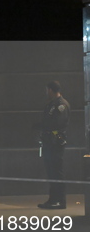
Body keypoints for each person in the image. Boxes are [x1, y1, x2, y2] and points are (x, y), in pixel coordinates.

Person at [37, 81, 70, 209]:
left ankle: (60, 201)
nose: (46, 93)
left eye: (47, 90)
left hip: (56, 142)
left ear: (51, 90)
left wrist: (45, 127)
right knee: (51, 171)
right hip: (49, 141)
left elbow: (58, 124)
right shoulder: (52, 104)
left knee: (57, 171)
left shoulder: (61, 105)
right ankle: (53, 199)